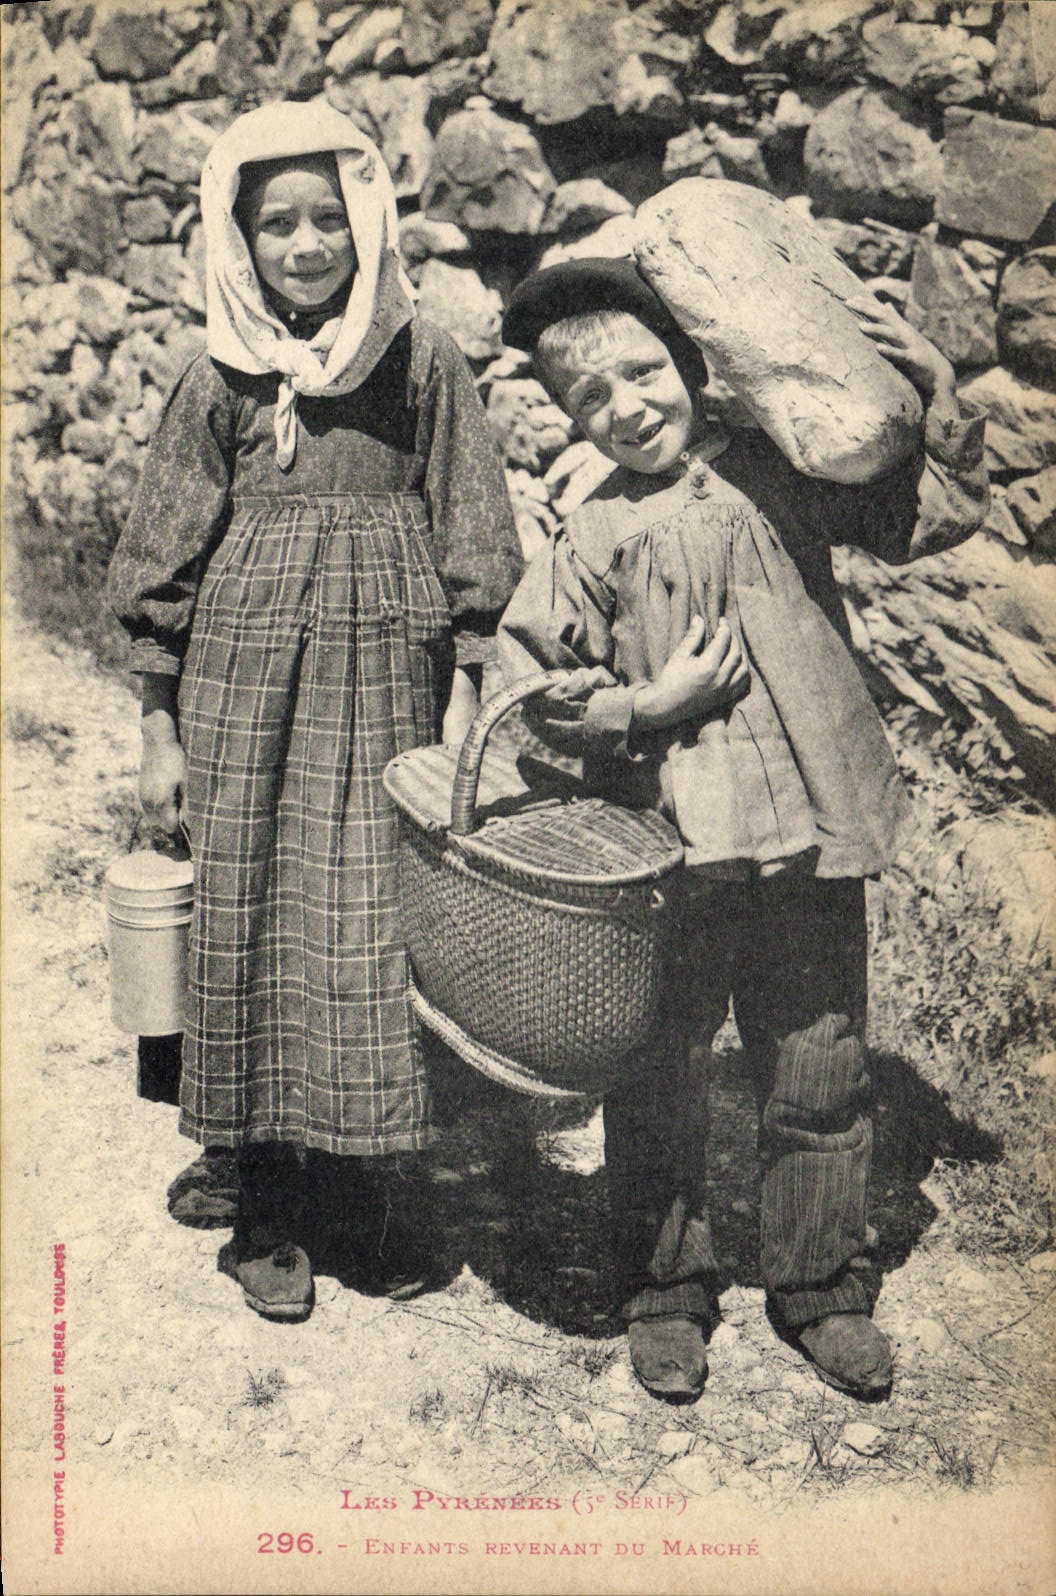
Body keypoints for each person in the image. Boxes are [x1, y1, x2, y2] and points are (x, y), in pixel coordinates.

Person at [496, 256, 988, 1401]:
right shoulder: (592, 533)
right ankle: (666, 1289)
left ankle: (820, 1288)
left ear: (692, 363)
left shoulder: (779, 474)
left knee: (818, 1061)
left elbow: (929, 515)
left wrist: (924, 387)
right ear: (567, 415)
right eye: (589, 397)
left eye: (643, 372)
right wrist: (642, 706)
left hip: (808, 835)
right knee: (659, 1071)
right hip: (673, 853)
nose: (626, 408)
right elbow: (530, 692)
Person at [108, 102, 521, 1322]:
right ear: (237, 241)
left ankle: (358, 1190)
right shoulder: (217, 375)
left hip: (383, 683)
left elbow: (475, 529)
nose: (303, 245)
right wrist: (158, 728)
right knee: (249, 913)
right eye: (275, 224)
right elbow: (162, 562)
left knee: (364, 921)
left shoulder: (422, 362)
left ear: (368, 221)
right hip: (241, 690)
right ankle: (266, 1192)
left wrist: (466, 689)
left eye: (325, 220)